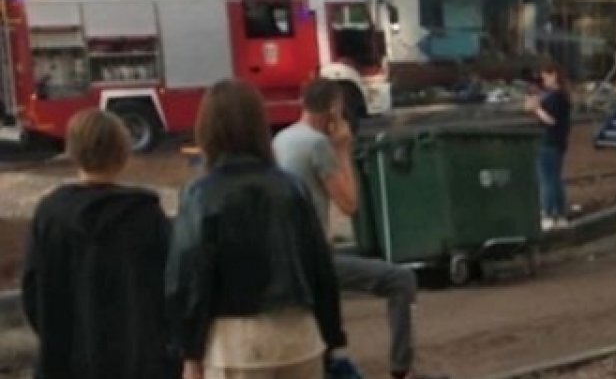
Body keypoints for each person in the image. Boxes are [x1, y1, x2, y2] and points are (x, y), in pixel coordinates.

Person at [167, 80, 345, 379]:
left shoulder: (201, 194)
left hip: (235, 343)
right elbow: (320, 266)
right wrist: (331, 335)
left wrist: (189, 351)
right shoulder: (292, 188)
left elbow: (189, 277)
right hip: (300, 336)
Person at [274, 80, 442, 379]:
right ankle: (402, 370)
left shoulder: (282, 139)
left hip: (286, 256)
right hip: (315, 259)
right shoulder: (317, 144)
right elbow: (350, 204)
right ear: (334, 109)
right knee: (401, 280)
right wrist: (342, 149)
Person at [22, 109, 175, 379]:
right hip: (138, 362)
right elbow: (169, 289)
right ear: (123, 152)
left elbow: (32, 290)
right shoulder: (146, 216)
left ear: (73, 152)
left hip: (66, 362)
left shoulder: (50, 214)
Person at [526, 61, 572, 231]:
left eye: (545, 76)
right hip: (559, 142)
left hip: (548, 141)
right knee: (556, 178)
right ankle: (560, 214)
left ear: (554, 75)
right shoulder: (563, 96)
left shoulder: (554, 97)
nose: (543, 80)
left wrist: (536, 109)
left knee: (546, 180)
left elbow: (550, 120)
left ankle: (547, 214)